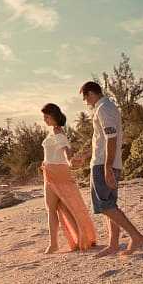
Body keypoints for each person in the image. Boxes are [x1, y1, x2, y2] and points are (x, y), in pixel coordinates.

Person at [76, 81, 143, 257]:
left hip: (103, 164)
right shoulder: (108, 107)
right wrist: (85, 156)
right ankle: (113, 244)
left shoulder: (103, 109)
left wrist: (107, 167)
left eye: (85, 98)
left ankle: (136, 236)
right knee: (110, 204)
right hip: (107, 162)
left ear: (90, 94)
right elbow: (102, 138)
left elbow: (111, 138)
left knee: (104, 205)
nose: (86, 102)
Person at [40, 103, 97, 253]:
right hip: (50, 172)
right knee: (58, 208)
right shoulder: (53, 132)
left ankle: (57, 243)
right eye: (44, 116)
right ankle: (56, 243)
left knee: (62, 208)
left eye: (46, 116)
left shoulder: (59, 133)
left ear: (54, 116)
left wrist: (72, 160)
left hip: (58, 173)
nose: (44, 119)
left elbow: (66, 152)